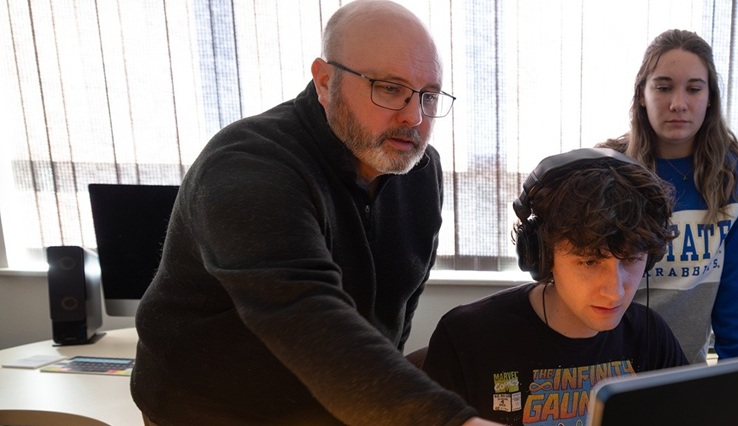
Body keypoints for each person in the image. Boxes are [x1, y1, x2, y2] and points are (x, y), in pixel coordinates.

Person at [130, 1, 499, 425]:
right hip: (207, 412)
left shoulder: (419, 170)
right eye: (389, 88)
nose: (414, 117)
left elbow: (392, 319)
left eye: (428, 95)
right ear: (325, 82)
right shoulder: (248, 165)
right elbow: (303, 314)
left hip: (341, 407)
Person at [421, 148, 689, 426]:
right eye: (589, 262)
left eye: (632, 260)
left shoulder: (650, 335)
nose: (616, 292)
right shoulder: (467, 337)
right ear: (543, 256)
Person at [599, 29, 738, 363]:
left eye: (693, 88)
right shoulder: (605, 168)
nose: (678, 104)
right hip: (602, 371)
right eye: (663, 88)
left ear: (710, 98)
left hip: (684, 375)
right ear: (642, 95)